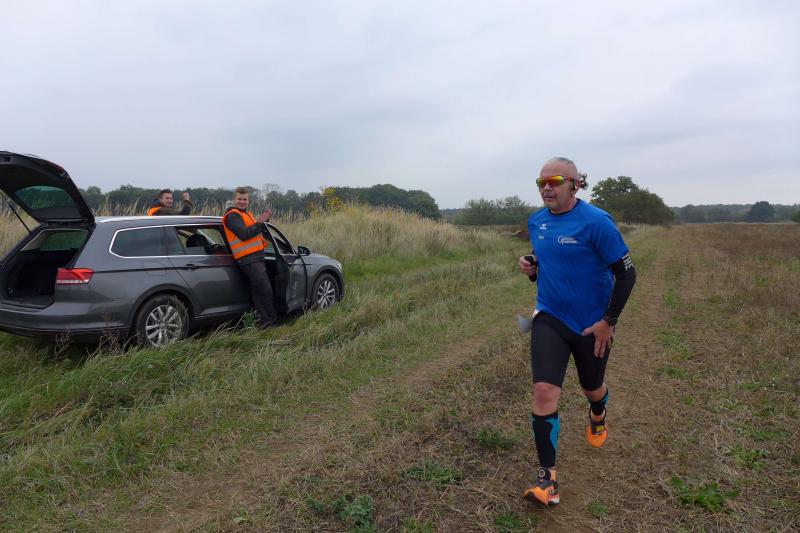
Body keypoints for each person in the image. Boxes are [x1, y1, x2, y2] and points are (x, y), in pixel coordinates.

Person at [519, 157, 637, 506]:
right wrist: (532, 265)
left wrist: (608, 321)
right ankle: (548, 481)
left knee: (591, 386)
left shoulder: (597, 222)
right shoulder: (537, 221)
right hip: (550, 317)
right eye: (541, 183)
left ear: (575, 183)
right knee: (544, 391)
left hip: (592, 324)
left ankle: (598, 411)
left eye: (554, 181)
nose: (546, 188)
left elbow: (627, 274)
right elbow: (546, 256)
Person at [222, 187, 277, 329]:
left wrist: (263, 221)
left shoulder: (246, 214)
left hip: (255, 257)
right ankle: (269, 322)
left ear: (248, 200)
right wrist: (259, 222)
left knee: (259, 291)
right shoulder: (232, 216)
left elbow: (254, 231)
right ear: (234, 199)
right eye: (239, 199)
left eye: (245, 199)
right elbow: (244, 234)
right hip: (248, 258)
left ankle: (265, 323)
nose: (242, 202)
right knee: (264, 290)